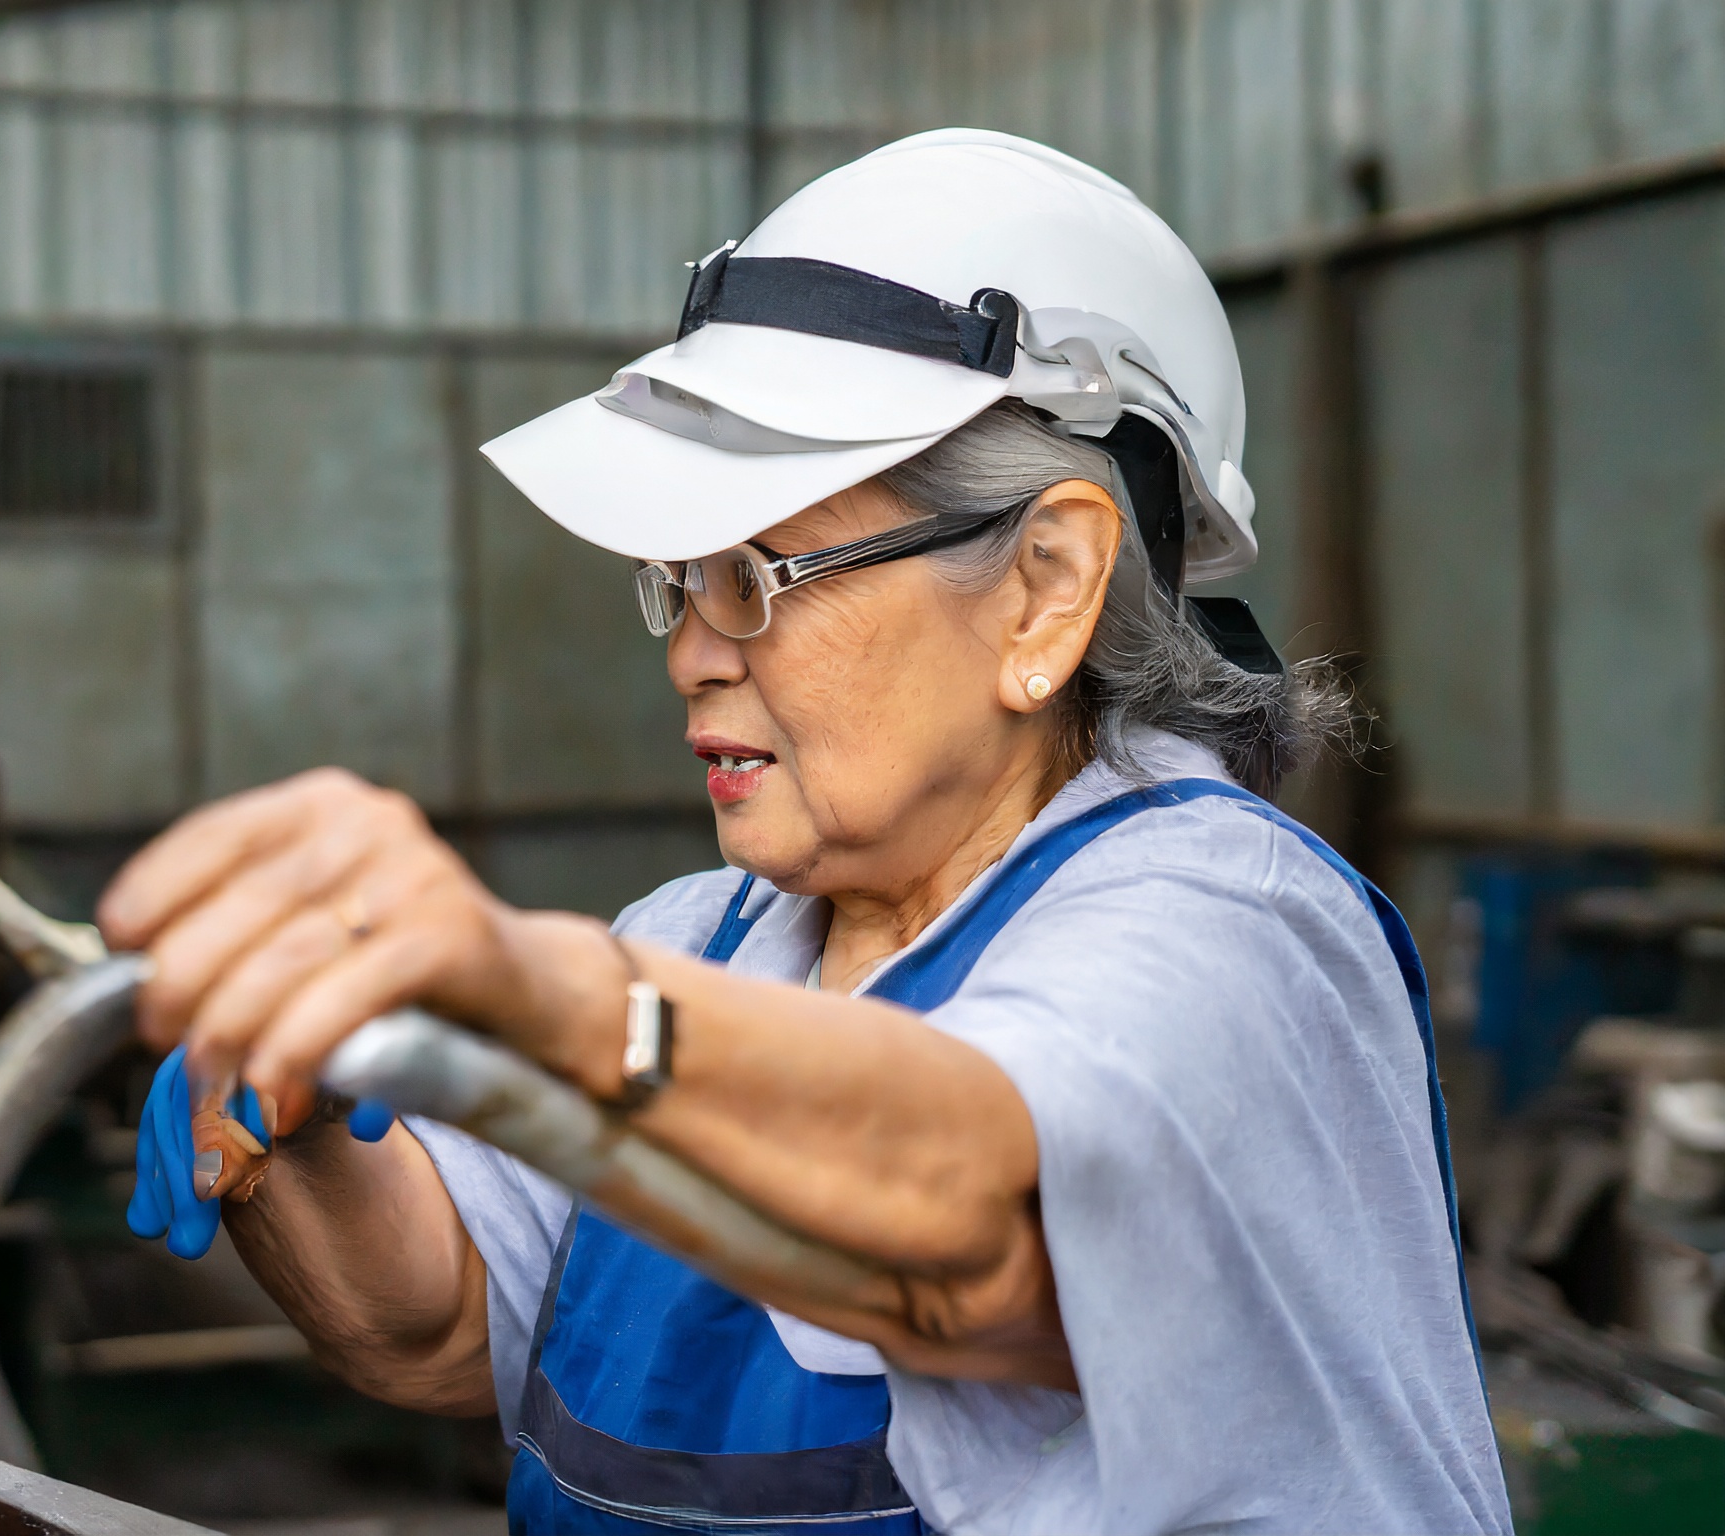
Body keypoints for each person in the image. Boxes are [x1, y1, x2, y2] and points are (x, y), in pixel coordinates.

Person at [107, 129, 1509, 1534]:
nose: (693, 658)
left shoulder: (1230, 932)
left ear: (1044, 587)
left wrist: (571, 1013)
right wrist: (290, 1137)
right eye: (679, 584)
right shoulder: (702, 941)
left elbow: (973, 1233)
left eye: (756, 580)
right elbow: (443, 1327)